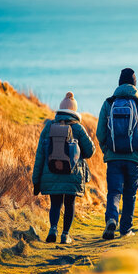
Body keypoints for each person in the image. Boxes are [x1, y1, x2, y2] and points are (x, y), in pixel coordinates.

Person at [97, 68, 138, 239]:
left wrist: (107, 150)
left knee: (114, 191)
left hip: (114, 157)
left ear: (119, 83)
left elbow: (100, 133)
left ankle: (111, 219)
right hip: (134, 158)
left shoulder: (109, 103)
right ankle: (125, 229)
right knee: (130, 194)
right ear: (134, 83)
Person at [32, 92, 95, 244]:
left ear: (60, 110)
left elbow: (40, 154)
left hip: (51, 173)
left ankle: (53, 229)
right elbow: (90, 151)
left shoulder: (49, 127)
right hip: (72, 175)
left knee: (55, 203)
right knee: (69, 204)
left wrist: (36, 180)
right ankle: (65, 235)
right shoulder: (78, 129)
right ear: (74, 112)